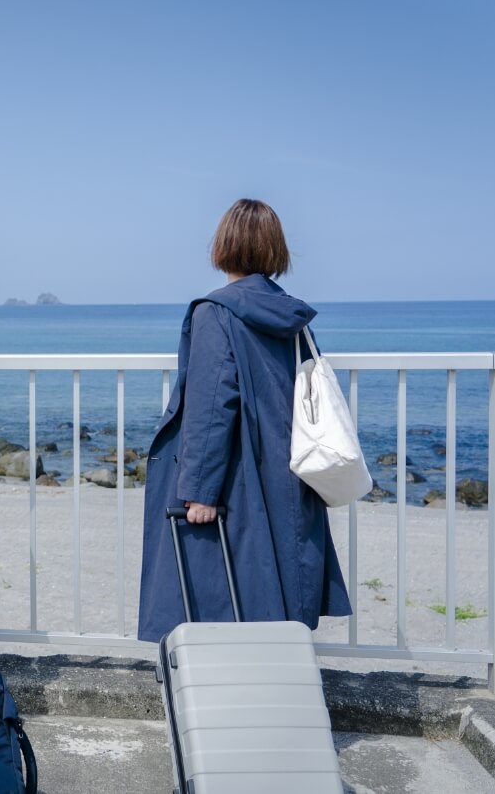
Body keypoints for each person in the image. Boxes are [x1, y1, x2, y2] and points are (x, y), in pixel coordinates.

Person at [137, 199, 352, 642]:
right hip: (289, 470)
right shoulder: (291, 315)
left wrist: (198, 491)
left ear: (224, 245)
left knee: (222, 597)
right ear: (277, 250)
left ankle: (230, 698)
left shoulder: (215, 312)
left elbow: (212, 405)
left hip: (238, 478)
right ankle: (279, 690)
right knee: (278, 596)